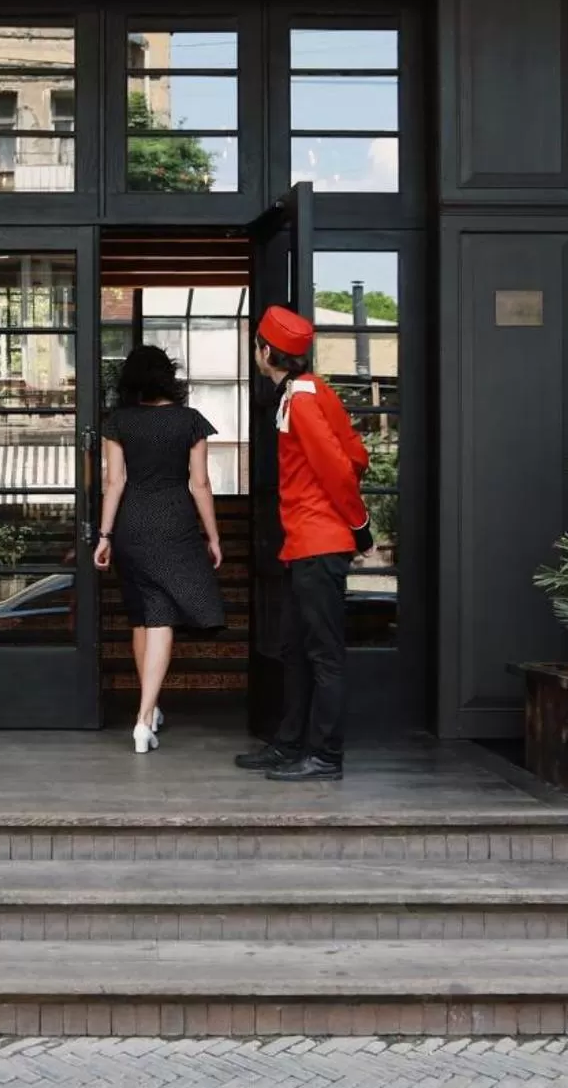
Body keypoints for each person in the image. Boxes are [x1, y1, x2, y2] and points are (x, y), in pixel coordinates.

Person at [236, 306, 371, 782]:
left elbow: (339, 466)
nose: (256, 352)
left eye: (256, 345)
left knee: (324, 655)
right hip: (304, 543)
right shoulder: (310, 391)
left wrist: (357, 522)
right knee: (294, 649)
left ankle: (325, 757)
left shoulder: (302, 401)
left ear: (268, 352)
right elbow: (358, 453)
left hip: (318, 543)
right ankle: (290, 743)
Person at [92, 346, 224, 753]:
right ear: (170, 377)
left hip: (132, 525)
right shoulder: (190, 421)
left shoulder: (120, 422)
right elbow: (199, 484)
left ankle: (149, 708)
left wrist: (105, 535)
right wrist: (214, 536)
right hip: (174, 524)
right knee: (160, 616)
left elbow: (113, 483)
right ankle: (143, 719)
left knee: (142, 615)